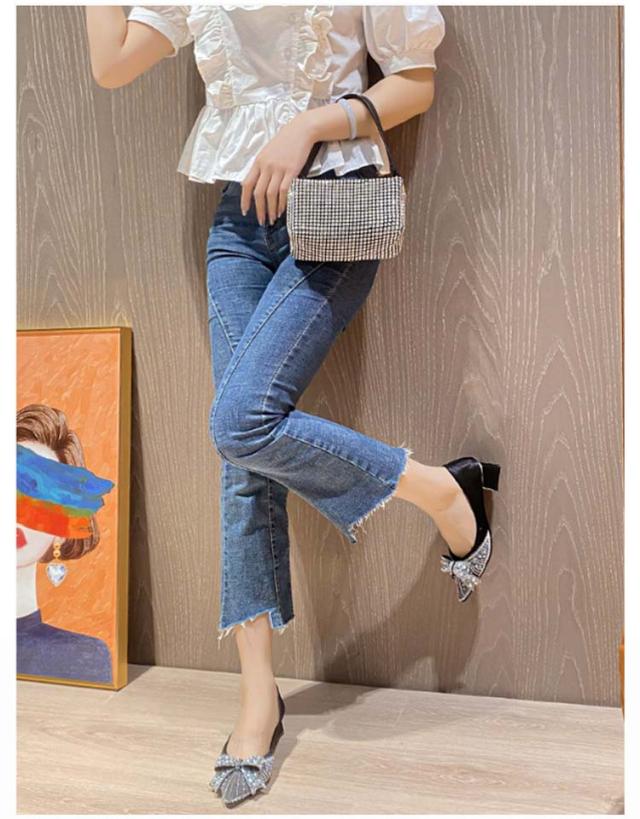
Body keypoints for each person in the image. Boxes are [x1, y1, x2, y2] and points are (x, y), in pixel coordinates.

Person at [85, 5, 501, 807]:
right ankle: (260, 695)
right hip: (240, 220)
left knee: (238, 424)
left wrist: (310, 124)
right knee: (240, 450)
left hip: (338, 202)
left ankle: (444, 492)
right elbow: (112, 64)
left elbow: (416, 81)